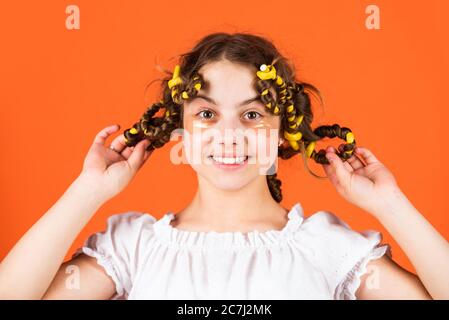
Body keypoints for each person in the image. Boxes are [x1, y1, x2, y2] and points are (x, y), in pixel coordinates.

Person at [0, 32, 447, 300]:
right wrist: (88, 191)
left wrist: (390, 204)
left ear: (281, 132)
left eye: (252, 115)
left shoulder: (325, 247)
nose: (229, 134)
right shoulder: (134, 248)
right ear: (181, 130)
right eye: (207, 114)